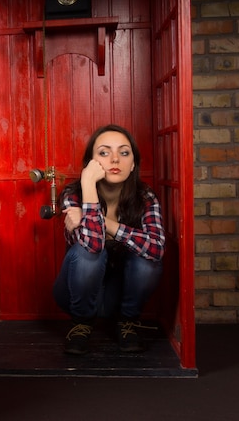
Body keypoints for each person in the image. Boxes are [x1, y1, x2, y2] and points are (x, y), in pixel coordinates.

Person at [52, 124, 165, 354]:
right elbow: (92, 247)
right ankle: (81, 325)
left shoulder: (144, 197)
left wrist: (106, 223)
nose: (115, 160)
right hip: (75, 295)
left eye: (124, 153)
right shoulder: (73, 195)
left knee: (147, 260)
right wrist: (87, 184)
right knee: (86, 254)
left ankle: (127, 323)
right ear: (90, 164)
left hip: (119, 299)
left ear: (133, 164)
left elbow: (157, 248)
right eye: (104, 152)